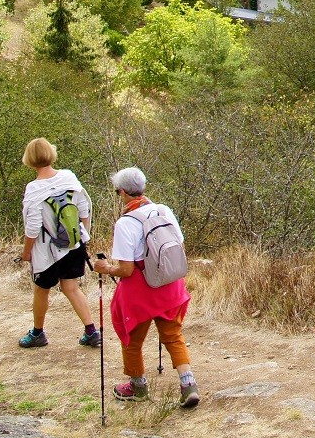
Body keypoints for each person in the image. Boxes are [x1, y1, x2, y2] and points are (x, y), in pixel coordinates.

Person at [91, 166, 199, 408]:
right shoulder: (163, 210)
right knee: (172, 335)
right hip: (169, 282)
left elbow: (126, 269)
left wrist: (105, 268)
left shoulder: (125, 223)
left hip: (140, 289)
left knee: (131, 337)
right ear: (142, 188)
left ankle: (137, 386)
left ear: (122, 192)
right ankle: (188, 384)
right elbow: (178, 243)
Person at [17, 138, 100, 349]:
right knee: (71, 287)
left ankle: (37, 334)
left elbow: (33, 228)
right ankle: (91, 332)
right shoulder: (68, 176)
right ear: (51, 154)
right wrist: (82, 237)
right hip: (74, 245)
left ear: (29, 160)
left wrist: (27, 253)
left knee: (41, 289)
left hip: (47, 252)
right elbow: (84, 210)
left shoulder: (34, 189)